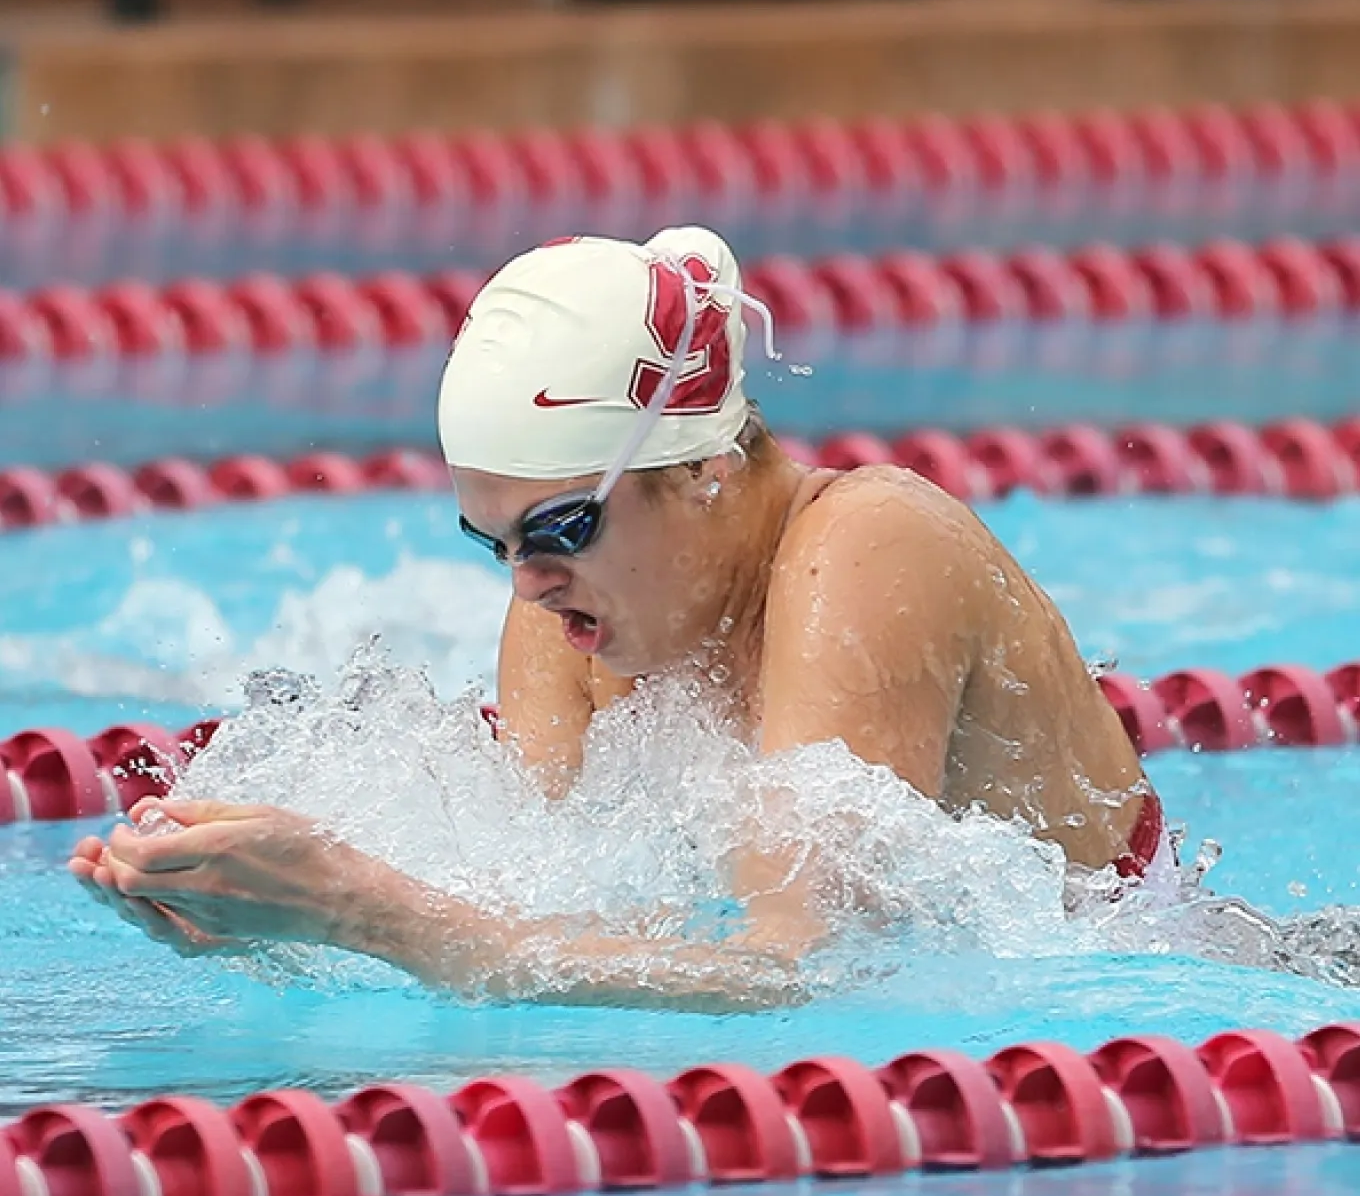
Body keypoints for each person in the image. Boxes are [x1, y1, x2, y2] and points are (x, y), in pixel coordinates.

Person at [70, 226, 1169, 1008]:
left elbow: (817, 974)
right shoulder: (572, 614)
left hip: (1152, 1006)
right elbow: (533, 919)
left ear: (696, 472)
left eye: (557, 529)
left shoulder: (869, 548)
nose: (525, 584)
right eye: (492, 544)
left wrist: (369, 914)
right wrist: (264, 921)